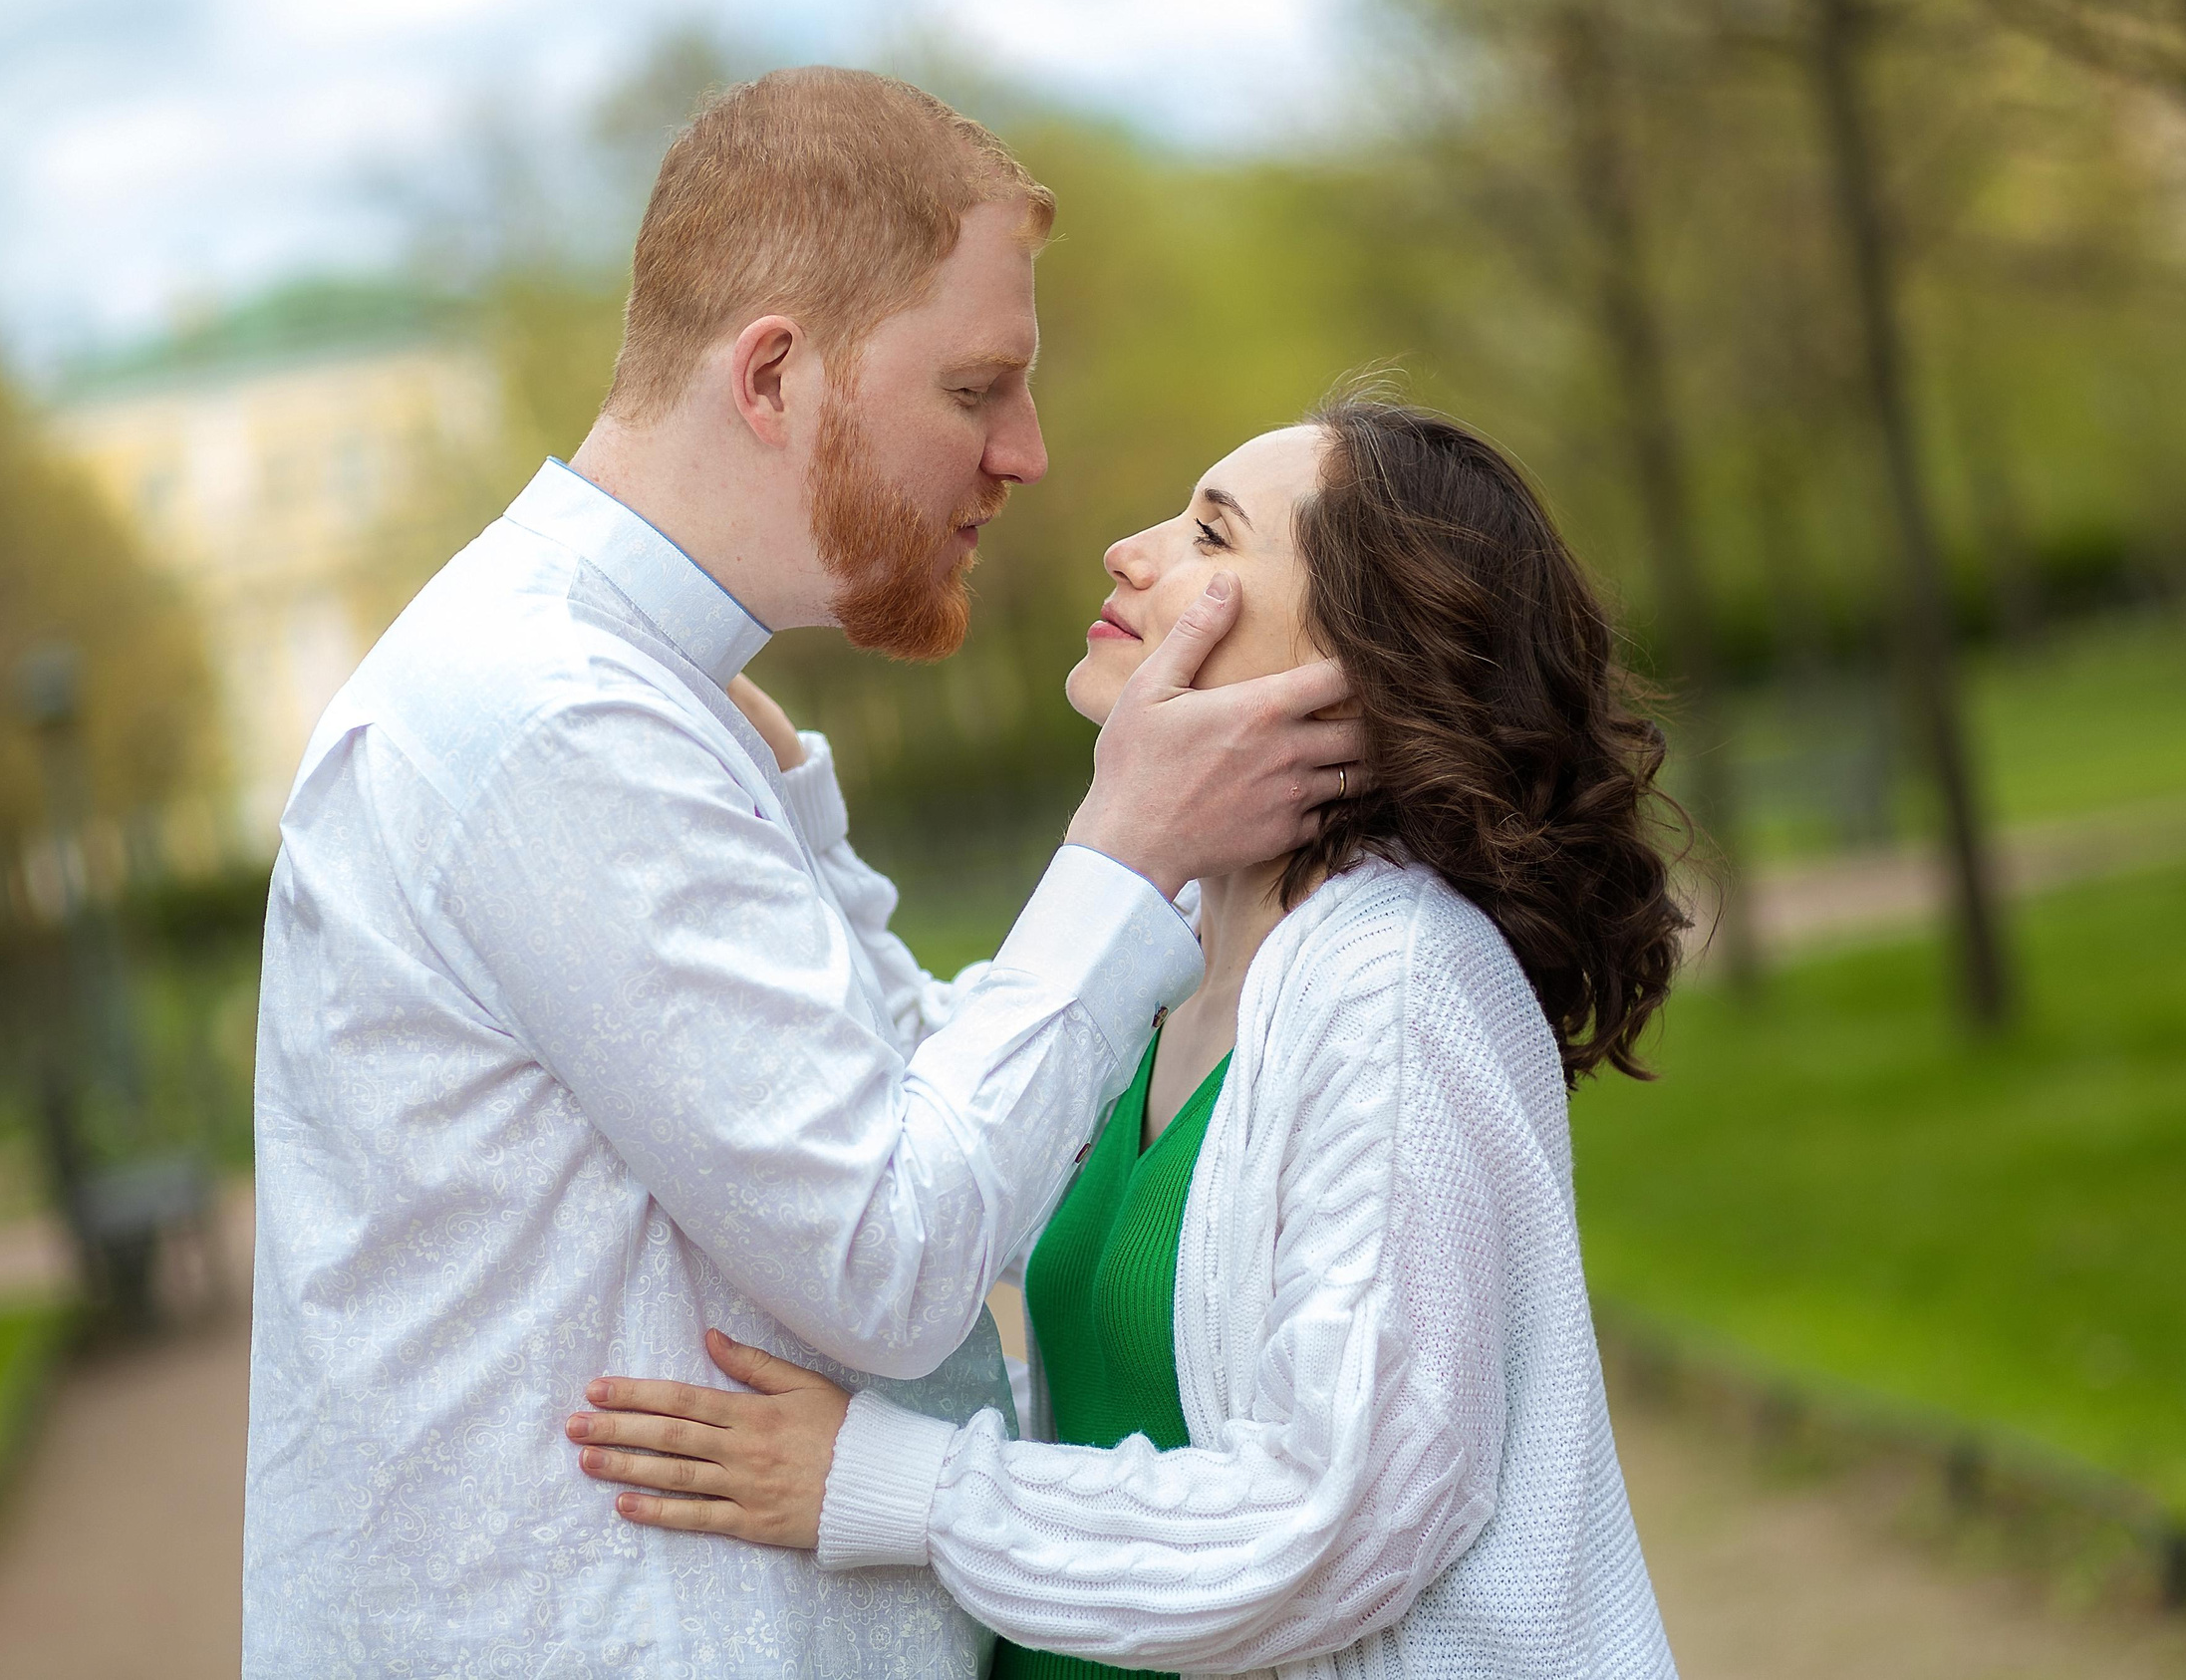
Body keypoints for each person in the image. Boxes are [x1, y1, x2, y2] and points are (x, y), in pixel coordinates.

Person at [239, 70, 1366, 1679]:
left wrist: (816, 828)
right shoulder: (563, 721)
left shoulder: (628, 695)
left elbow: (923, 1119)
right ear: (773, 375)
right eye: (976, 390)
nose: (1029, 454)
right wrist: (1126, 854)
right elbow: (893, 1259)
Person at [563, 396, 1691, 1678]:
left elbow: (1339, 1521)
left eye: (1212, 536)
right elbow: (951, 1092)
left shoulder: (1396, 982)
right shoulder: (1176, 962)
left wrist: (891, 1487)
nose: (1128, 550)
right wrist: (797, 816)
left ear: (1361, 666)